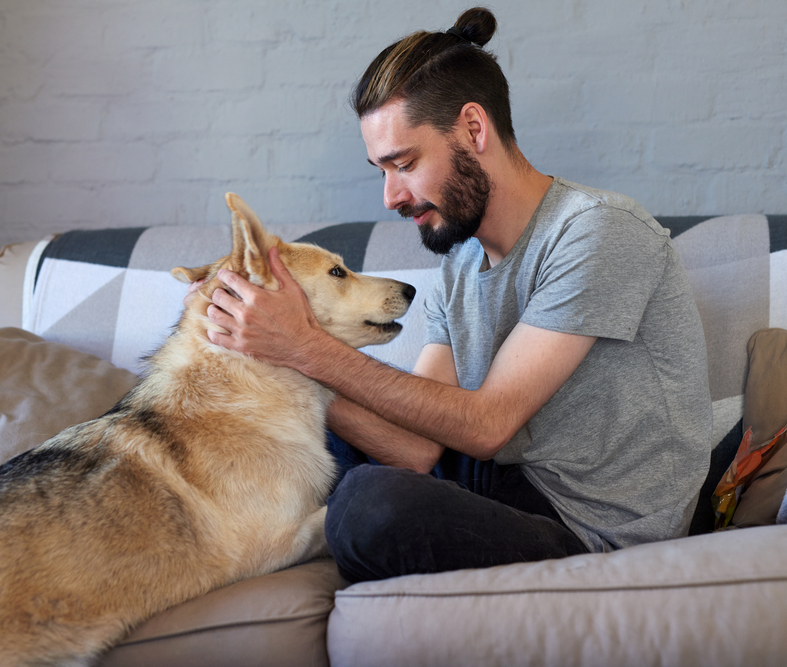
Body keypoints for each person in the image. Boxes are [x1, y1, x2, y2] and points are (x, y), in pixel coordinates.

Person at [191, 7, 712, 583]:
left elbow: (488, 425)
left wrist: (303, 347)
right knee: (283, 431)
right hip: (496, 476)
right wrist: (280, 361)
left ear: (473, 129)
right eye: (381, 171)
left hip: (589, 525)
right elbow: (415, 450)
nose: (390, 196)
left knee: (370, 507)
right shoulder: (463, 262)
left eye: (405, 164)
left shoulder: (597, 232)